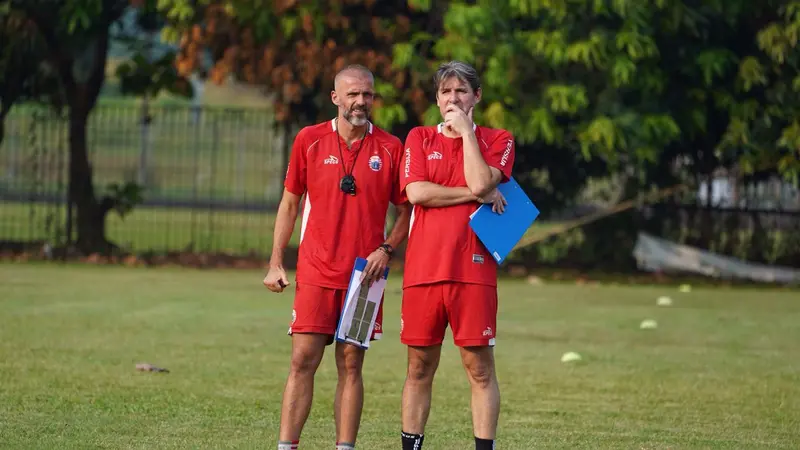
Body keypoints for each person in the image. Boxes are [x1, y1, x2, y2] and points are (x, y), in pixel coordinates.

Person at [263, 64, 412, 450]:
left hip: (366, 276)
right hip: (315, 270)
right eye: (352, 94)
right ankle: (286, 446)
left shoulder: (392, 148)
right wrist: (276, 261)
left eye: (367, 94)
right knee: (302, 361)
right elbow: (290, 203)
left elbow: (406, 211)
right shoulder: (309, 140)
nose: (360, 101)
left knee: (351, 364)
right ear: (336, 98)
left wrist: (387, 249)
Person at [398, 60, 515, 450]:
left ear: (476, 96)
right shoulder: (418, 137)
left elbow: (484, 180)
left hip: (474, 271)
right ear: (436, 98)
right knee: (418, 367)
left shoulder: (499, 139)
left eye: (461, 91)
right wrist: (473, 195)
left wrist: (466, 134)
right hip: (423, 272)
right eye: (446, 92)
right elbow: (416, 193)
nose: (453, 98)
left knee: (479, 369)